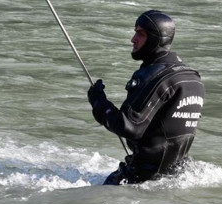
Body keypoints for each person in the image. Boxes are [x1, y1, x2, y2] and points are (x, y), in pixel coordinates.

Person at [87, 10, 204, 184]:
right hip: (178, 177)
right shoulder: (193, 78)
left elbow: (129, 127)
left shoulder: (153, 76)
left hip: (141, 179)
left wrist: (98, 101)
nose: (133, 39)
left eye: (140, 33)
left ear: (157, 38)